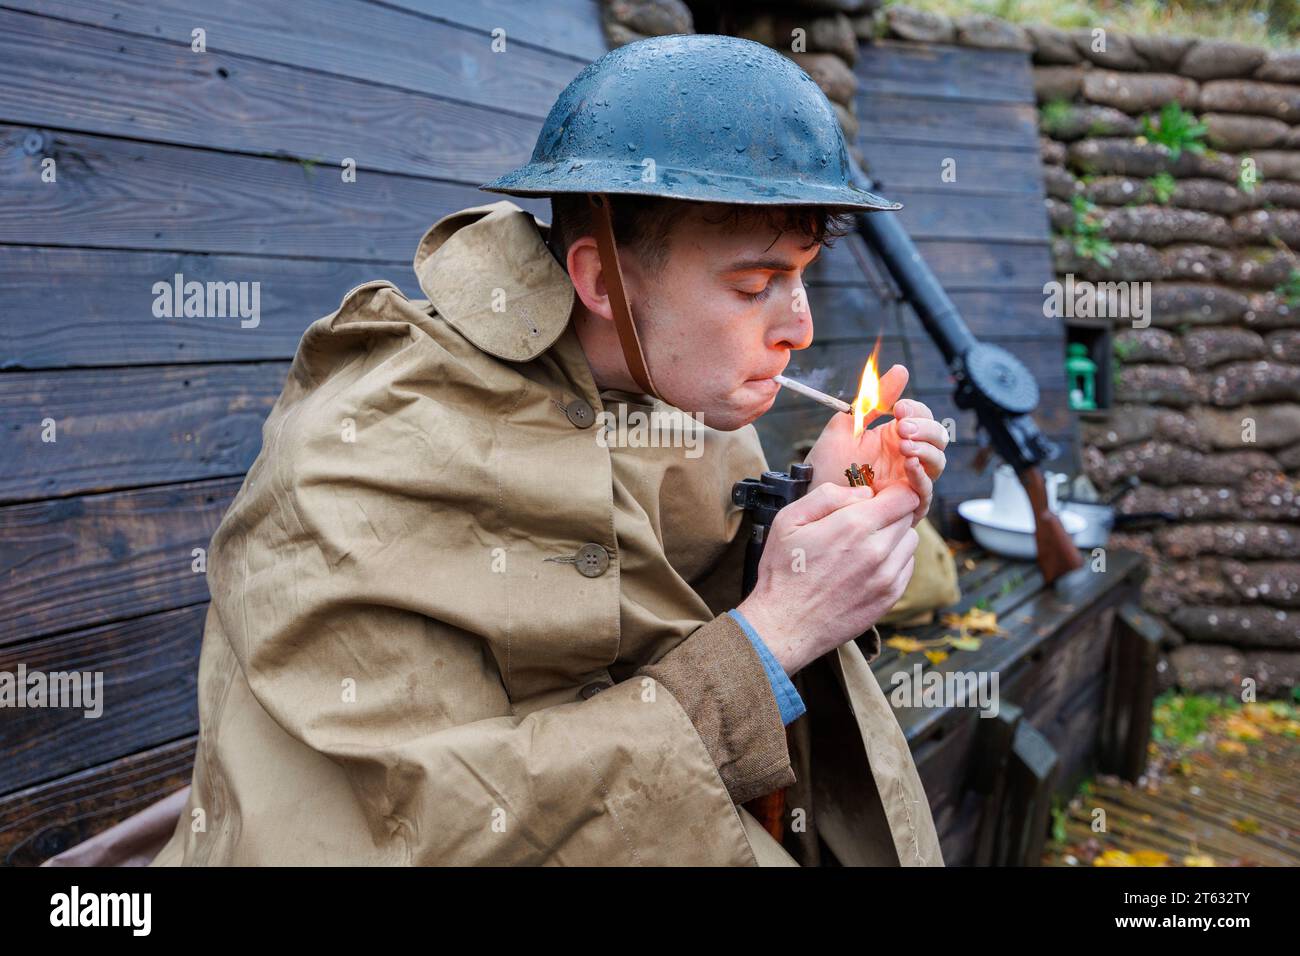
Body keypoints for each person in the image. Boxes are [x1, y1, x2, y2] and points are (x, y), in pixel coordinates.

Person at [52, 33, 950, 867]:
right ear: (600, 280)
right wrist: (779, 631)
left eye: (801, 279)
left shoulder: (680, 400)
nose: (801, 328)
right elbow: (423, 826)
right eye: (757, 284)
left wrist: (829, 509)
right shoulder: (373, 446)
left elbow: (695, 634)